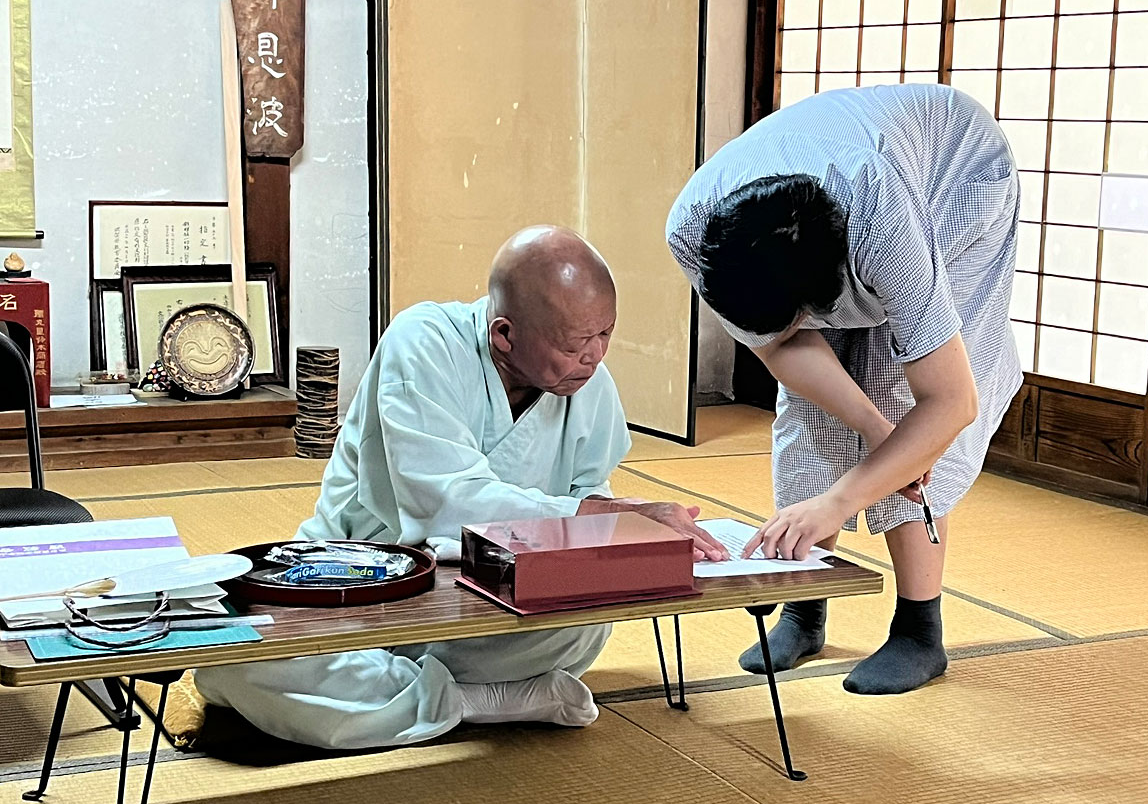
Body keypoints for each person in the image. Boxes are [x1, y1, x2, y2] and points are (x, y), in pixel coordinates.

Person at [196, 225, 726, 749]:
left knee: (585, 622)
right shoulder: (424, 343)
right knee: (232, 663)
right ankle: (484, 702)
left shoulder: (589, 384)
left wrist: (632, 544)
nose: (595, 356)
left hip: (495, 591)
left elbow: (588, 494)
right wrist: (599, 515)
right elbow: (445, 502)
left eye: (605, 334)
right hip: (354, 584)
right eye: (575, 343)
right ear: (504, 335)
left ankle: (408, 699)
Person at [666, 84, 1022, 695]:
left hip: (954, 178)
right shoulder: (696, 235)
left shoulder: (884, 225)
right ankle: (805, 608)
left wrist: (848, 491)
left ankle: (919, 628)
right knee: (812, 413)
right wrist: (876, 435)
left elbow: (950, 401)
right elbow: (781, 349)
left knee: (901, 399)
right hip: (839, 202)